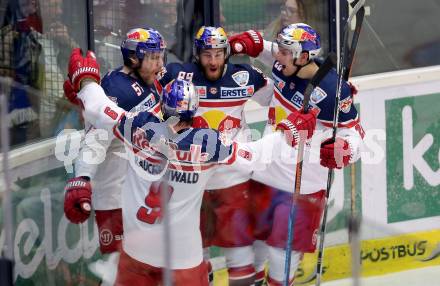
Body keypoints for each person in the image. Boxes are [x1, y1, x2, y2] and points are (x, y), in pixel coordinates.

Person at [63, 47, 319, 286]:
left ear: (161, 106)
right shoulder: (209, 146)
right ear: (195, 111)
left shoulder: (138, 130)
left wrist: (87, 82)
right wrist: (290, 132)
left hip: (136, 257)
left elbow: (100, 109)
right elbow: (255, 154)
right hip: (184, 263)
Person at [228, 23, 365, 285]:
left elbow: (356, 134)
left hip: (302, 187)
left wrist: (346, 149)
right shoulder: (286, 62)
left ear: (304, 57)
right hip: (263, 175)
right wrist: (254, 45)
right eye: (278, 49)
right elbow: (271, 52)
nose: (277, 56)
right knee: (253, 250)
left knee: (282, 258)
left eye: (284, 51)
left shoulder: (332, 93)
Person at [158, 26, 274, 285]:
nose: (213, 61)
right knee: (195, 250)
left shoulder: (245, 76)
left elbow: (280, 98)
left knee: (239, 249)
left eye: (218, 54)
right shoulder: (178, 76)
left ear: (227, 54)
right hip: (191, 181)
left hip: (233, 178)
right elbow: (146, 97)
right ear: (198, 54)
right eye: (207, 54)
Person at [62, 27, 165, 284]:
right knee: (118, 269)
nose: (160, 63)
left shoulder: (148, 82)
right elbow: (95, 141)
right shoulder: (116, 90)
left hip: (141, 194)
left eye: (161, 56)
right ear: (133, 58)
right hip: (115, 197)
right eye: (153, 57)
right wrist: (83, 177)